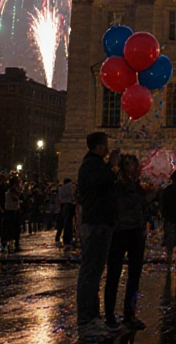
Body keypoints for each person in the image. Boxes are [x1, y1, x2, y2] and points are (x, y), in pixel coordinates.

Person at [76, 131, 120, 338]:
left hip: (100, 222)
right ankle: (86, 319)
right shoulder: (91, 165)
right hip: (96, 224)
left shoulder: (94, 165)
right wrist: (111, 164)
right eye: (106, 145)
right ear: (100, 147)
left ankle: (93, 317)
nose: (108, 149)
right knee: (90, 273)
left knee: (93, 273)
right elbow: (103, 182)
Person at [106, 154, 149, 331]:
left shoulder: (135, 187)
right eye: (134, 167)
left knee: (133, 275)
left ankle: (128, 313)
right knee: (115, 274)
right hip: (122, 232)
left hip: (134, 231)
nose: (137, 170)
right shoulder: (120, 187)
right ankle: (111, 315)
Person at [56, 178, 76, 247]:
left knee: (62, 222)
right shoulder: (71, 186)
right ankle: (67, 239)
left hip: (62, 205)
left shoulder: (61, 188)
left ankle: (58, 238)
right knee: (68, 222)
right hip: (69, 205)